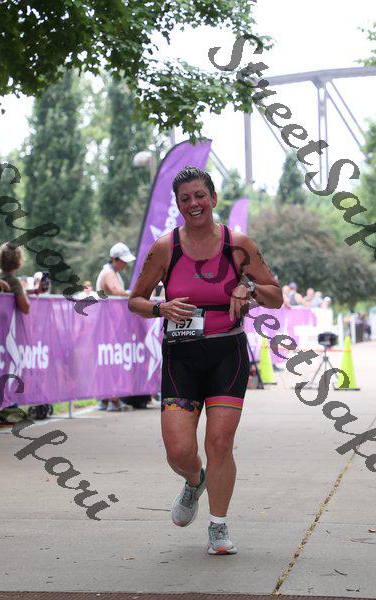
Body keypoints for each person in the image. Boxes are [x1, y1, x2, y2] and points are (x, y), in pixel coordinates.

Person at [128, 166, 282, 555]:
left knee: (220, 443)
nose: (194, 203)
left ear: (213, 198)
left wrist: (248, 286)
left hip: (227, 353)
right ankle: (194, 480)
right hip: (181, 356)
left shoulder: (238, 244)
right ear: (178, 205)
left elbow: (276, 296)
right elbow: (135, 300)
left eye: (200, 195)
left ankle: (218, 525)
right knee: (178, 450)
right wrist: (161, 307)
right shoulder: (166, 247)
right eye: (185, 198)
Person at [96, 242, 136, 412]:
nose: (125, 263)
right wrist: (135, 293)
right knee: (112, 360)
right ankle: (113, 399)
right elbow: (116, 291)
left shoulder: (112, 272)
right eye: (123, 260)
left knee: (108, 360)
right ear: (115, 259)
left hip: (108, 323)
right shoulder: (109, 273)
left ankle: (105, 399)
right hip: (108, 324)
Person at [0, 243, 30, 314]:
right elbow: (25, 308)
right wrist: (23, 290)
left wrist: (35, 291)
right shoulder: (13, 281)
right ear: (18, 259)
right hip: (5, 320)